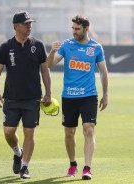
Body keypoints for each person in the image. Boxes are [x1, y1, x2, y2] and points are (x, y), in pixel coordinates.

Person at [47, 15, 108, 180]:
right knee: (69, 133)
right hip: (69, 96)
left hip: (89, 96)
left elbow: (103, 71)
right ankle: (73, 164)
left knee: (89, 129)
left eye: (77, 29)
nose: (74, 31)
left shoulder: (96, 48)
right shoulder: (66, 45)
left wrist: (106, 94)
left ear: (86, 29)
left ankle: (87, 168)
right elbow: (49, 65)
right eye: (73, 28)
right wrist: (52, 51)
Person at [0, 11, 51, 179]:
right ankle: (18, 153)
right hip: (11, 97)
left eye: (30, 23)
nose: (29, 26)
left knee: (29, 133)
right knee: (9, 132)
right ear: (16, 26)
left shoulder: (38, 45)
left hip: (32, 97)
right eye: (26, 23)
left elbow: (45, 70)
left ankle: (25, 167)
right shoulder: (6, 46)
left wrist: (48, 93)